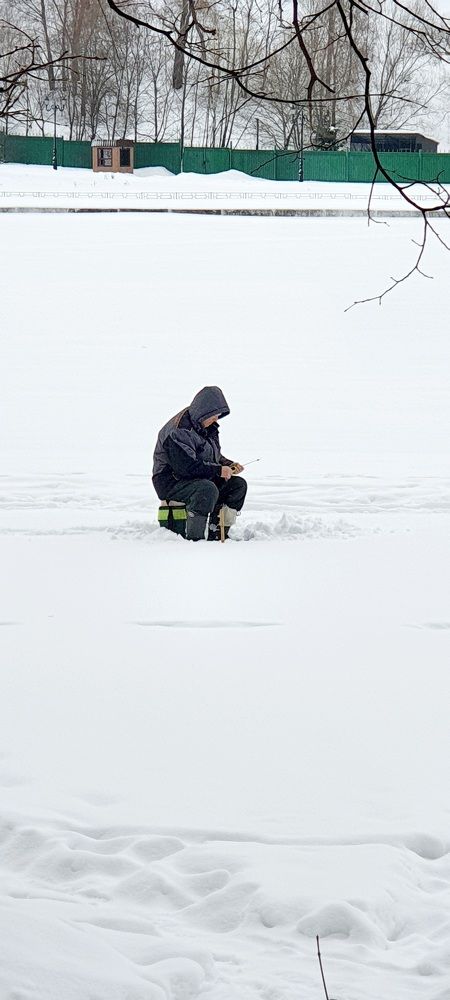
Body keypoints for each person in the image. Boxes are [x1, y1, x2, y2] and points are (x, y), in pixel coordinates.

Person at [152, 386, 247, 541]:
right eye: (214, 415)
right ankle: (195, 540)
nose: (217, 419)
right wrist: (218, 471)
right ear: (205, 412)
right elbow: (185, 467)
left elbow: (210, 455)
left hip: (195, 477)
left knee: (237, 485)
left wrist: (228, 465)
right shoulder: (179, 431)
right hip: (171, 481)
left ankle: (217, 533)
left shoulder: (206, 426)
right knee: (207, 489)